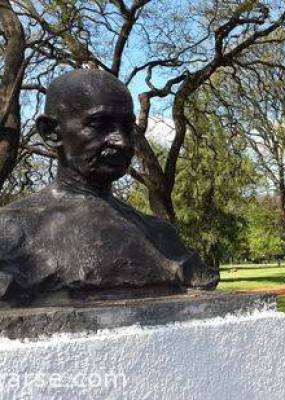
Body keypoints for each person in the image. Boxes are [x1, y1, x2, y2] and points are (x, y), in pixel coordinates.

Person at [0, 70, 218, 304]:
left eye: (127, 127)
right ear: (51, 132)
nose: (122, 142)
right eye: (99, 124)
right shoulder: (9, 233)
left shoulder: (162, 236)